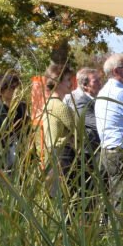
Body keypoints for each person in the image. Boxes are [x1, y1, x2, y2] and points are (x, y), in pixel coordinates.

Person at [94, 54, 123, 222]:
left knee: (117, 198)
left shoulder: (104, 93)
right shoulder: (119, 94)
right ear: (116, 71)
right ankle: (122, 242)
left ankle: (117, 239)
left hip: (111, 151)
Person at [41, 63, 80, 206]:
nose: (71, 83)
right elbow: (78, 132)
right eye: (68, 80)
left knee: (58, 199)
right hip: (64, 156)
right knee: (67, 200)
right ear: (57, 82)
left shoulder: (48, 104)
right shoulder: (61, 107)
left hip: (53, 154)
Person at [66, 66, 102, 211]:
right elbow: (98, 124)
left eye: (100, 79)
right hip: (88, 156)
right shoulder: (81, 101)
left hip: (93, 154)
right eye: (96, 80)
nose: (100, 83)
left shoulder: (93, 99)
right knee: (88, 197)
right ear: (85, 85)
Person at [0, 71, 28, 172]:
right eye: (12, 88)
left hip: (23, 162)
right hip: (3, 165)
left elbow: (28, 132)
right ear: (0, 91)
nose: (17, 91)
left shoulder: (22, 107)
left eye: (17, 87)